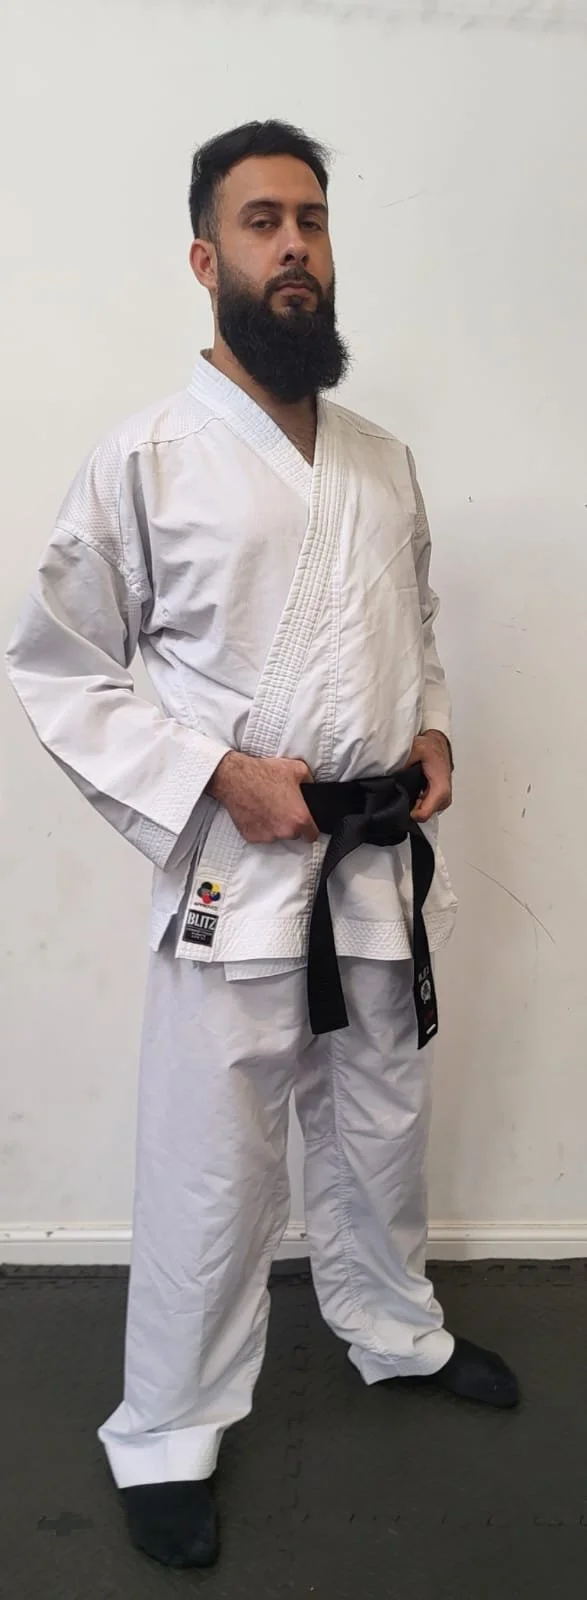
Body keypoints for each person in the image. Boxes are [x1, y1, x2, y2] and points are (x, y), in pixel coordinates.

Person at [6, 120, 519, 1571]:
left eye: (311, 220)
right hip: (239, 871)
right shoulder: (145, 458)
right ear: (205, 258)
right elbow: (59, 667)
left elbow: (417, 632)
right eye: (260, 222)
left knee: (381, 1122)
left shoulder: (382, 461)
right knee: (213, 1162)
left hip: (372, 859)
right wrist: (214, 774)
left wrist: (430, 735)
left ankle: (393, 1326)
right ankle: (168, 1429)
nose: (293, 246)